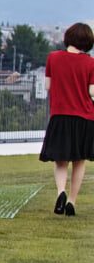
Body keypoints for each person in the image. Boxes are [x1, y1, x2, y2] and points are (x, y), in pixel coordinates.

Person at [40, 22, 94, 217]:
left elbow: (47, 86)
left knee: (60, 160)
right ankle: (71, 201)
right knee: (79, 160)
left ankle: (60, 191)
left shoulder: (53, 58)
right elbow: (91, 91)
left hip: (60, 115)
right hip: (84, 116)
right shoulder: (90, 62)